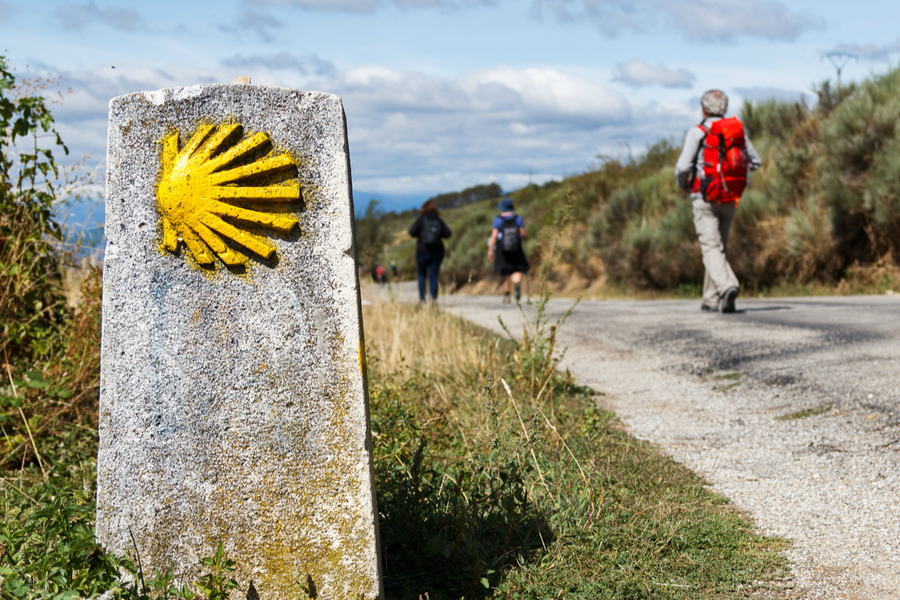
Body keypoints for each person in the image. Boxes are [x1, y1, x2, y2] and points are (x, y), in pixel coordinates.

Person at [675, 89, 761, 313]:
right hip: (731, 197)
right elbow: (756, 161)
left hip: (704, 196)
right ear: (725, 108)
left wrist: (683, 184)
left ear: (704, 108)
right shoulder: (736, 132)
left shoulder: (698, 132)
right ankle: (711, 299)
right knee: (719, 247)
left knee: (710, 246)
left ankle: (727, 286)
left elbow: (683, 167)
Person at [408, 200, 452, 303]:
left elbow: (412, 232)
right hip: (437, 252)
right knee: (433, 275)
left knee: (422, 275)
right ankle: (434, 299)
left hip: (422, 251)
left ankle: (422, 299)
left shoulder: (421, 219)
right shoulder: (438, 220)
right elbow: (448, 233)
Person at [488, 197, 529, 303]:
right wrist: (525, 237)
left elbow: (494, 236)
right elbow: (523, 234)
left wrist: (491, 250)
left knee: (504, 271)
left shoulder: (498, 219)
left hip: (502, 249)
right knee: (516, 269)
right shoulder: (517, 218)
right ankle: (516, 285)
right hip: (516, 248)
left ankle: (507, 295)